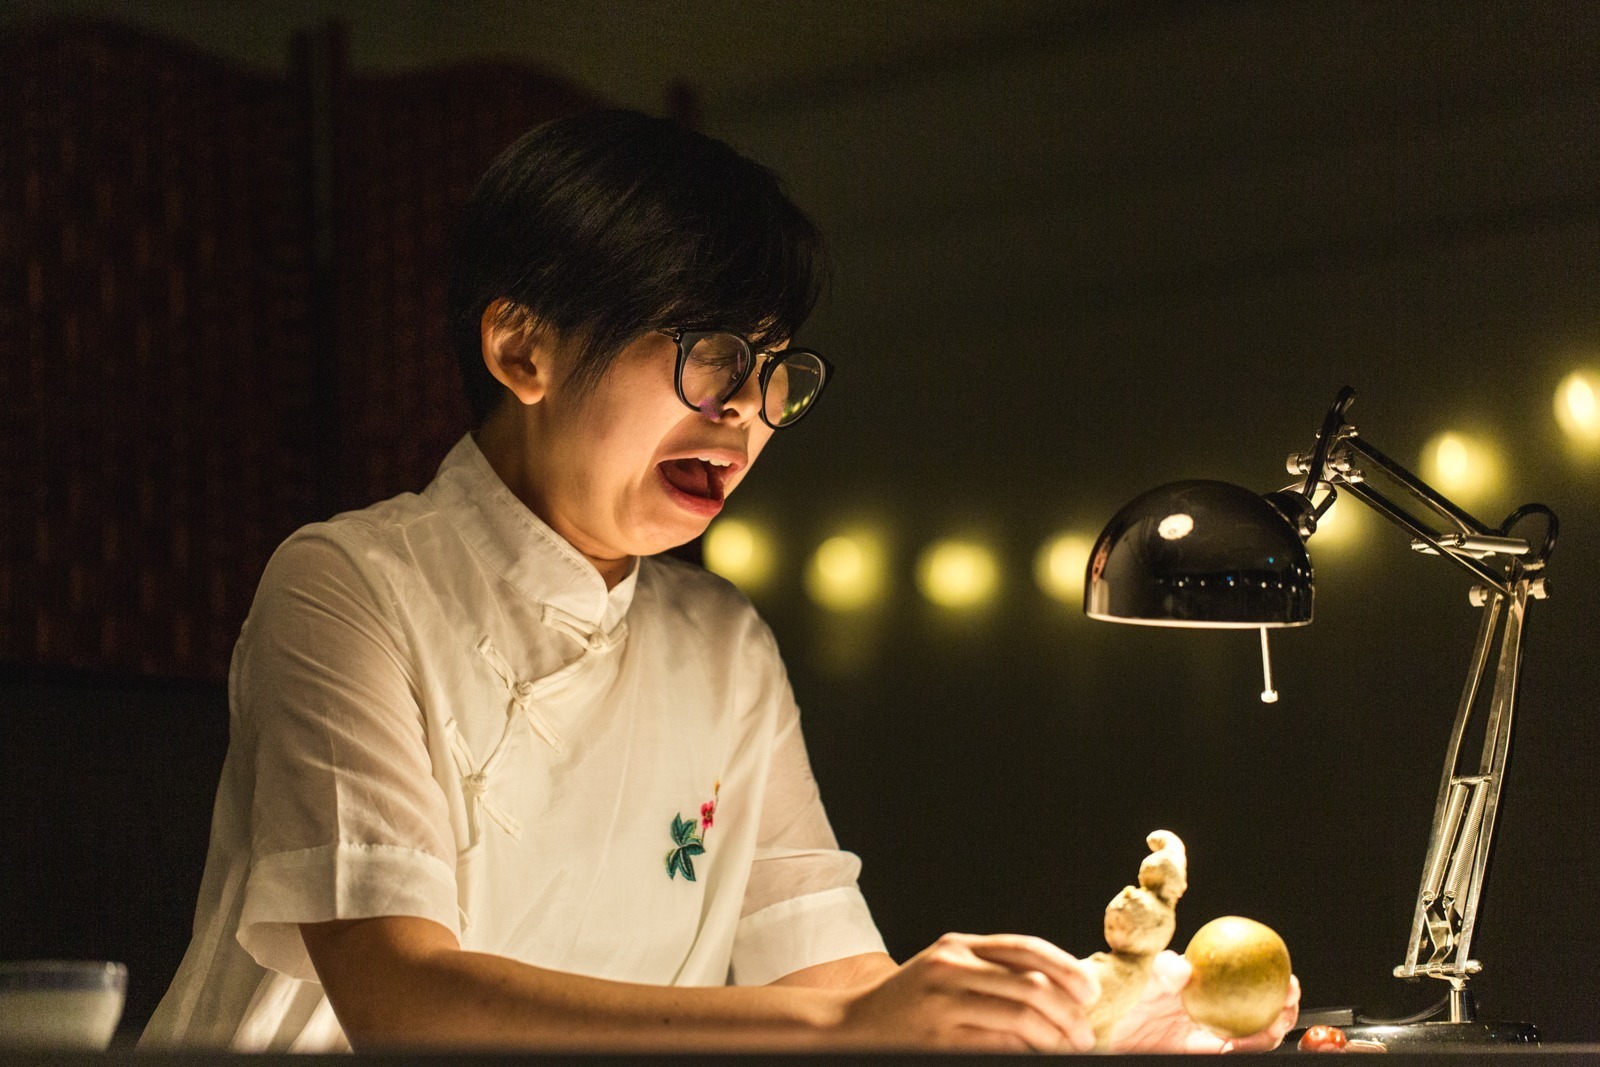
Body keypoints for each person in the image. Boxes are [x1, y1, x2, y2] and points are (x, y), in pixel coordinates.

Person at [141, 109, 1297, 1053]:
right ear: (521, 349)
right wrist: (854, 1018)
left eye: (775, 369)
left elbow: (835, 973)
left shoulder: (720, 639)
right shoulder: (347, 583)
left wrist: (1092, 1020)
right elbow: (404, 1000)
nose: (747, 409)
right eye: (708, 354)